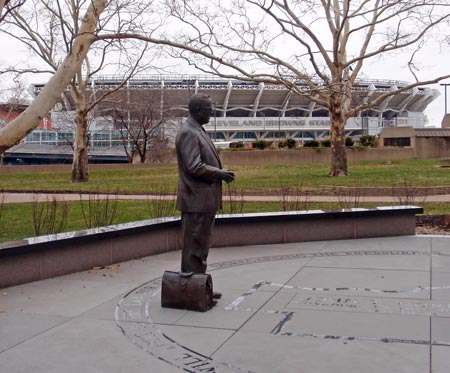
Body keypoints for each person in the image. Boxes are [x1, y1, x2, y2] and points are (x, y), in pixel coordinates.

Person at [175, 93, 235, 299]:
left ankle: (200, 288)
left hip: (203, 201)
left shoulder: (197, 130)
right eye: (209, 110)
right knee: (194, 246)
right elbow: (194, 167)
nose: (212, 114)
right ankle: (189, 289)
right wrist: (221, 174)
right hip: (195, 200)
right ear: (198, 110)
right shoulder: (188, 133)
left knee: (201, 246)